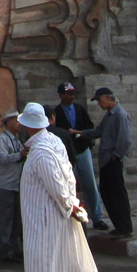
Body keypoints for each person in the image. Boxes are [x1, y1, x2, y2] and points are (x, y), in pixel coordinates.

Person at [17, 102, 113, 272]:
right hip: (52, 214)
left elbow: (57, 183)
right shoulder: (52, 142)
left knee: (45, 268)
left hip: (45, 220)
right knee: (60, 265)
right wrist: (71, 203)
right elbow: (68, 176)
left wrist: (69, 205)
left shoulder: (42, 150)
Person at [73, 86, 133, 238]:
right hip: (106, 161)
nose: (99, 104)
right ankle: (119, 226)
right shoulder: (109, 116)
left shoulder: (120, 114)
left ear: (107, 98)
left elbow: (125, 139)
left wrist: (116, 154)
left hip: (112, 160)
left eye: (100, 100)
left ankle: (125, 227)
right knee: (108, 194)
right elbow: (98, 131)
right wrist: (80, 133)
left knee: (117, 194)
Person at [53, 81, 109, 232]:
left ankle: (97, 217)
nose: (71, 96)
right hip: (67, 154)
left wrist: (80, 134)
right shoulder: (57, 112)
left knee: (90, 184)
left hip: (82, 150)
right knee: (71, 186)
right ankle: (76, 217)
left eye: (72, 94)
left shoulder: (79, 109)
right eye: (68, 94)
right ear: (61, 95)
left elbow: (89, 126)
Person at [0, 109, 25, 263]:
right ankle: (6, 251)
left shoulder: (17, 140)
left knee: (16, 219)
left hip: (14, 184)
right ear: (8, 122)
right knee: (5, 219)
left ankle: (14, 248)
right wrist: (20, 155)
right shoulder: (1, 140)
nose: (19, 124)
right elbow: (2, 158)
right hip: (3, 185)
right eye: (16, 121)